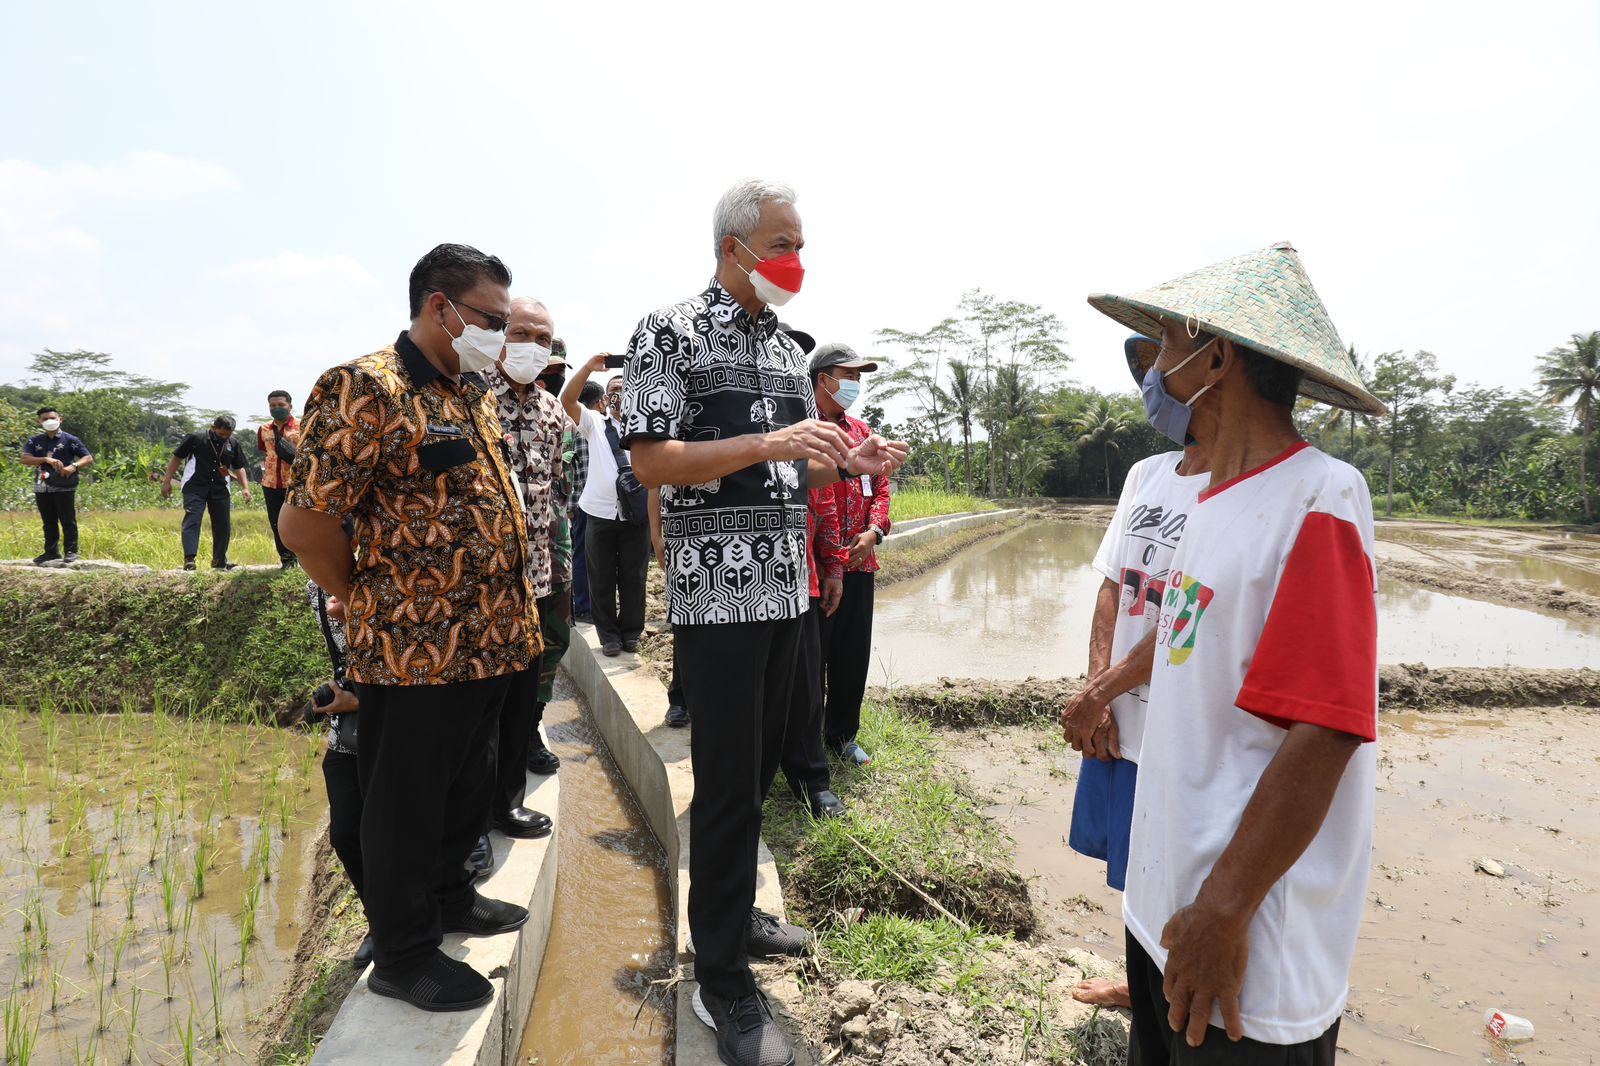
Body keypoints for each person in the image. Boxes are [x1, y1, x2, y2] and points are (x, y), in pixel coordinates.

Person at [624, 178, 906, 1066]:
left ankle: (737, 912)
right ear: (735, 247)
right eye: (784, 241)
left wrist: (846, 463)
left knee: (759, 774)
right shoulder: (668, 332)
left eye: (800, 242)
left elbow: (795, 474)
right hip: (722, 590)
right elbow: (652, 463)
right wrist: (765, 444)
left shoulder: (789, 353)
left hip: (787, 587)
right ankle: (719, 983)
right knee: (727, 778)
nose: (798, 260)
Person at [1086, 242, 1386, 1063]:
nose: (1157, 366)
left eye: (1167, 345)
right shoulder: (1210, 497)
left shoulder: (1320, 495)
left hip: (1239, 941)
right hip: (1164, 911)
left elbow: (1324, 727)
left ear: (1215, 359)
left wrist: (1224, 908)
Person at [280, 242, 542, 1014]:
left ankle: (450, 896)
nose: (502, 334)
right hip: (412, 645)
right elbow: (307, 524)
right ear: (440, 308)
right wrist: (364, 597)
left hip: (494, 636)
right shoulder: (367, 387)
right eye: (491, 319)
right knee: (405, 798)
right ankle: (403, 950)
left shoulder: (470, 390)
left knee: (469, 780)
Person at [1060, 335, 1209, 1010]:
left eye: (1160, 366)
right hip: (1123, 712)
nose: (1151, 380)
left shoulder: (1235, 487)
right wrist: (1101, 690)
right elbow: (1115, 584)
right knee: (1136, 867)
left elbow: (1184, 613)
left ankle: (1169, 992)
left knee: (1182, 873)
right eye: (1145, 368)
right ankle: (1140, 984)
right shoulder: (1146, 475)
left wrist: (1103, 689)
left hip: (1177, 720)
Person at [480, 296, 567, 845]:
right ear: (496, 333)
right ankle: (464, 833)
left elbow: (554, 490)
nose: (532, 347)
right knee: (474, 715)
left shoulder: (553, 413)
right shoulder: (466, 396)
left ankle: (505, 804)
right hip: (478, 588)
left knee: (518, 703)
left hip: (536, 579)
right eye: (521, 333)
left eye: (544, 339)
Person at [811, 342, 892, 766]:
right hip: (821, 567)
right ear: (824, 379)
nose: (856, 384)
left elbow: (881, 487)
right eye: (849, 376)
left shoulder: (862, 432)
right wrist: (834, 562)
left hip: (861, 562)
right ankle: (806, 745)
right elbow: (818, 496)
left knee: (852, 654)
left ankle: (842, 735)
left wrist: (874, 532)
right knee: (813, 658)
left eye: (860, 377)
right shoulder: (807, 429)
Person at [306, 577, 374, 967]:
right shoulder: (315, 586)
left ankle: (408, 916)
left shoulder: (385, 563)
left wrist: (361, 702)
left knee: (393, 830)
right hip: (347, 737)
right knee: (347, 833)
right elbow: (343, 657)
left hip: (397, 725)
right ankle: (379, 919)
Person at [561, 360, 650, 656]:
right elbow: (568, 400)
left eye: (626, 390)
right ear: (603, 399)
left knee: (634, 576)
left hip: (636, 515)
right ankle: (609, 636)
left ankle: (631, 633)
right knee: (600, 578)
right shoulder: (594, 424)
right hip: (598, 512)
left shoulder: (648, 428)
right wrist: (588, 368)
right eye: (614, 390)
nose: (619, 394)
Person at [163, 415, 251, 571]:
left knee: (223, 524)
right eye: (221, 434)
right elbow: (176, 458)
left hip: (220, 487)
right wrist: (167, 481)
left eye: (228, 435)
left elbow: (239, 467)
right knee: (193, 519)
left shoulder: (233, 444)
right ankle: (189, 559)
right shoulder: (196, 438)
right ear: (213, 428)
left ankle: (219, 561)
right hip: (195, 485)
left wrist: (245, 487)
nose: (224, 437)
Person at [20, 406, 92, 565]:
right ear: (39, 422)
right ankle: (51, 552)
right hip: (42, 484)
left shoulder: (70, 439)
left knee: (67, 520)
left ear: (60, 419)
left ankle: (71, 552)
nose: (49, 421)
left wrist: (73, 466)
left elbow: (87, 458)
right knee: (48, 520)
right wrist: (46, 459)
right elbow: (25, 459)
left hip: (64, 484)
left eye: (52, 418)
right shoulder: (35, 441)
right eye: (45, 419)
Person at [568, 379, 603, 624]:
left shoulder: (572, 424)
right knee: (586, 557)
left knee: (584, 556)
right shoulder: (593, 425)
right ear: (598, 402)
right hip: (591, 503)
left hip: (580, 502)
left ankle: (583, 605)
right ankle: (583, 607)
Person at [257, 390, 301, 568]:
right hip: (270, 483)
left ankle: (303, 559)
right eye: (272, 405)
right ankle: (286, 560)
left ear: (290, 406)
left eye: (281, 405)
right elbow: (264, 452)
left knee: (298, 523)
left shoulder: (302, 425)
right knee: (276, 523)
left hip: (295, 483)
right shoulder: (264, 428)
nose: (276, 408)